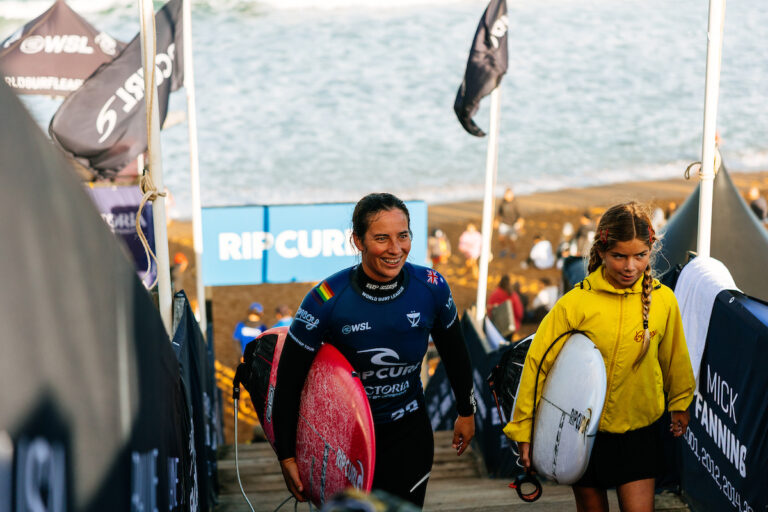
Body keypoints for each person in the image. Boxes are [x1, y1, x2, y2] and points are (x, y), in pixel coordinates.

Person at [272, 193, 476, 508]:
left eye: (403, 236)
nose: (396, 249)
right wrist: (286, 455)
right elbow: (288, 382)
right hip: (345, 442)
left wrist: (466, 410)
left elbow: (455, 353)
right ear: (358, 241)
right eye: (382, 238)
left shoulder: (432, 287)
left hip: (409, 432)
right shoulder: (326, 300)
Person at [503, 201, 695, 512]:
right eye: (619, 256)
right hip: (581, 432)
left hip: (639, 431)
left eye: (640, 256)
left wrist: (680, 402)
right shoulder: (575, 303)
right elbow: (538, 366)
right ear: (602, 252)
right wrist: (523, 428)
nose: (630, 266)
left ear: (652, 251)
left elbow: (674, 356)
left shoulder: (663, 301)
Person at [495, 187, 525, 257]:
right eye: (506, 194)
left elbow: (520, 216)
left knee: (511, 240)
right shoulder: (502, 203)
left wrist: (520, 225)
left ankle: (513, 251)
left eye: (508, 194)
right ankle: (504, 249)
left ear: (512, 195)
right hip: (504, 223)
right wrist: (496, 220)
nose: (507, 196)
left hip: (513, 224)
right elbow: (499, 213)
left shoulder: (515, 204)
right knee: (501, 238)